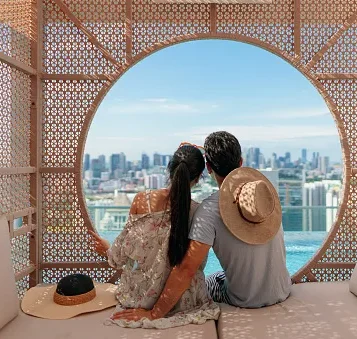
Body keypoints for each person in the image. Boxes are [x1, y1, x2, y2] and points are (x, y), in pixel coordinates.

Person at [113, 131, 291, 322]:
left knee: (211, 280)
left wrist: (154, 313)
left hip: (244, 300)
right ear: (241, 162)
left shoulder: (209, 210)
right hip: (282, 290)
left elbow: (186, 269)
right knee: (221, 274)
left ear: (208, 168)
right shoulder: (263, 197)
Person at [89, 144, 220, 328]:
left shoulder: (143, 201)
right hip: (187, 301)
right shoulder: (199, 213)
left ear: (169, 169)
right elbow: (189, 268)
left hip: (140, 298)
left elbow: (118, 258)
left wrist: (106, 248)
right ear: (199, 178)